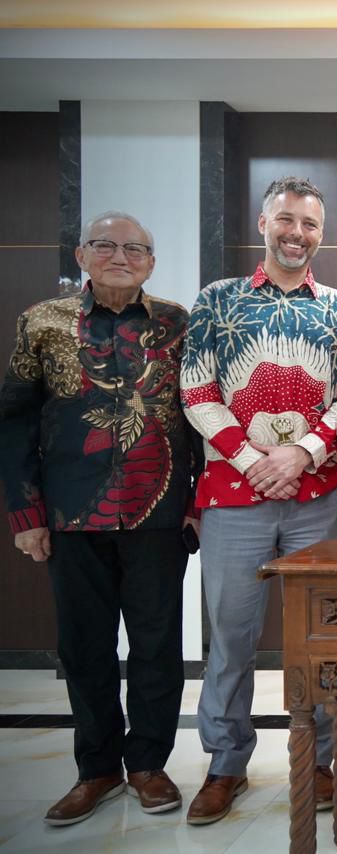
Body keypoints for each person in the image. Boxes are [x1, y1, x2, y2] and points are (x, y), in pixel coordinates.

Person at [180, 176, 337, 825]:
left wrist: (304, 453)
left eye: (310, 224)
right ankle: (225, 763)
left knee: (316, 637)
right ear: (263, 223)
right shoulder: (217, 300)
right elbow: (197, 391)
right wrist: (255, 461)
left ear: (322, 233)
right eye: (286, 220)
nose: (297, 233)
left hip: (316, 493)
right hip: (234, 496)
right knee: (231, 637)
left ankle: (318, 758)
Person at [0, 211, 197, 826]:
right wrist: (25, 513)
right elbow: (14, 422)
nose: (121, 255)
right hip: (70, 514)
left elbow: (198, 415)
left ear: (151, 261)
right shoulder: (43, 322)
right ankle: (96, 769)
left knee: (158, 645)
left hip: (160, 515)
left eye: (135, 247)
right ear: (82, 255)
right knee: (83, 647)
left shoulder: (175, 323)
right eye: (106, 245)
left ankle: (147, 764)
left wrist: (196, 505)